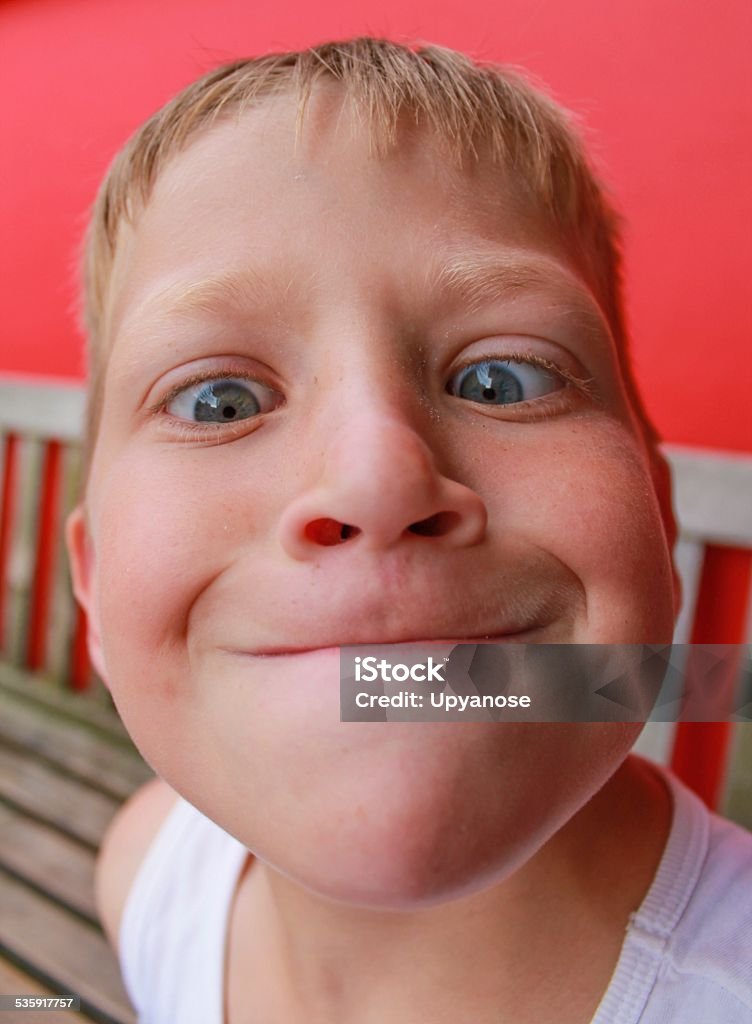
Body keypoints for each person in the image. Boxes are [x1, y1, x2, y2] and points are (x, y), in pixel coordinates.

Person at [64, 37, 752, 1024]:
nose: (378, 477)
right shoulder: (148, 881)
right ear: (90, 584)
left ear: (658, 512)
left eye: (499, 380)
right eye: (219, 401)